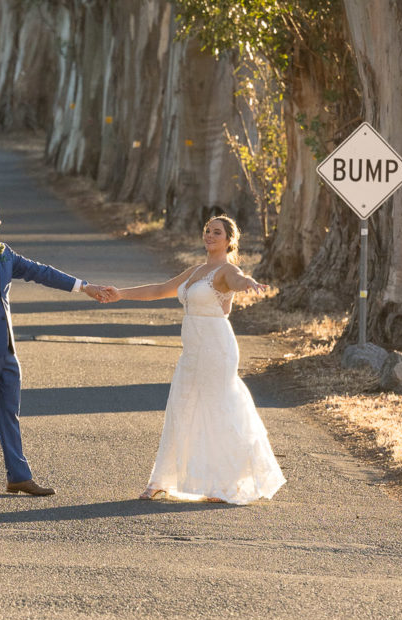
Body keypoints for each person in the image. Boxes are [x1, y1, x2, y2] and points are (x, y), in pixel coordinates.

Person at [0, 197, 115, 497]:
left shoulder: (4, 253)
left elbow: (40, 272)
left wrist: (84, 287)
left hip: (7, 349)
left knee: (9, 413)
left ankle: (18, 476)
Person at [103, 214, 285, 505]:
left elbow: (238, 280)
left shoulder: (227, 271)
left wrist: (248, 281)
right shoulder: (195, 271)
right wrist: (120, 294)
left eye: (216, 232)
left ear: (229, 240)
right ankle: (161, 481)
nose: (210, 236)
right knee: (181, 406)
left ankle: (223, 483)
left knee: (216, 407)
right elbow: (159, 290)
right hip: (192, 349)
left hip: (217, 348)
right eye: (207, 231)